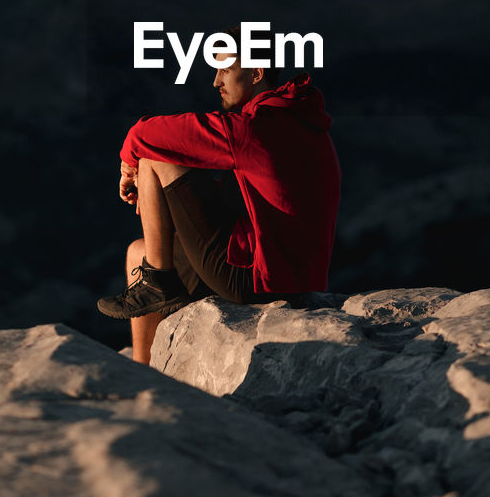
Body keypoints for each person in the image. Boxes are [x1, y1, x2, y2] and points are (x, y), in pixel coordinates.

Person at [97, 32, 341, 365]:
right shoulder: (294, 120)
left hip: (258, 278)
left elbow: (146, 134)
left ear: (256, 73)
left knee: (157, 155)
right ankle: (143, 371)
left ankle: (157, 283)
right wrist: (161, 200)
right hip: (285, 272)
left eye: (224, 70)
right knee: (138, 252)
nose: (215, 81)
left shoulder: (259, 128)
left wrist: (129, 164)